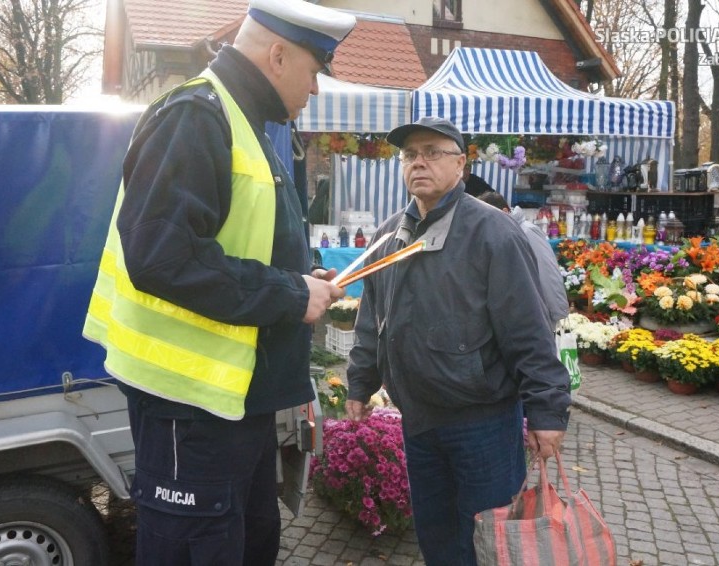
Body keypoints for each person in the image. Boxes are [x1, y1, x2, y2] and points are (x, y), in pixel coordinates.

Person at [83, 0, 354, 563]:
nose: (317, 90)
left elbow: (233, 244)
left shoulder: (239, 119)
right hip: (190, 407)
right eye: (315, 70)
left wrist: (301, 280)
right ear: (277, 55)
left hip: (232, 406)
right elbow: (161, 256)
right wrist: (289, 293)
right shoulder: (197, 115)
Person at [344, 116, 571, 566]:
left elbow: (528, 330)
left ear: (460, 164)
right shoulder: (391, 233)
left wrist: (547, 409)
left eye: (432, 152)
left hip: (482, 423)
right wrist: (360, 381)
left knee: (487, 543)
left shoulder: (494, 232)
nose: (418, 163)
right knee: (437, 537)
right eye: (410, 155)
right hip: (420, 420)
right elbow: (373, 316)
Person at [479, 192, 570, 331]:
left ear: (504, 211)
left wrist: (557, 313)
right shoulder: (499, 234)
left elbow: (547, 273)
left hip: (535, 318)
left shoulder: (527, 232)